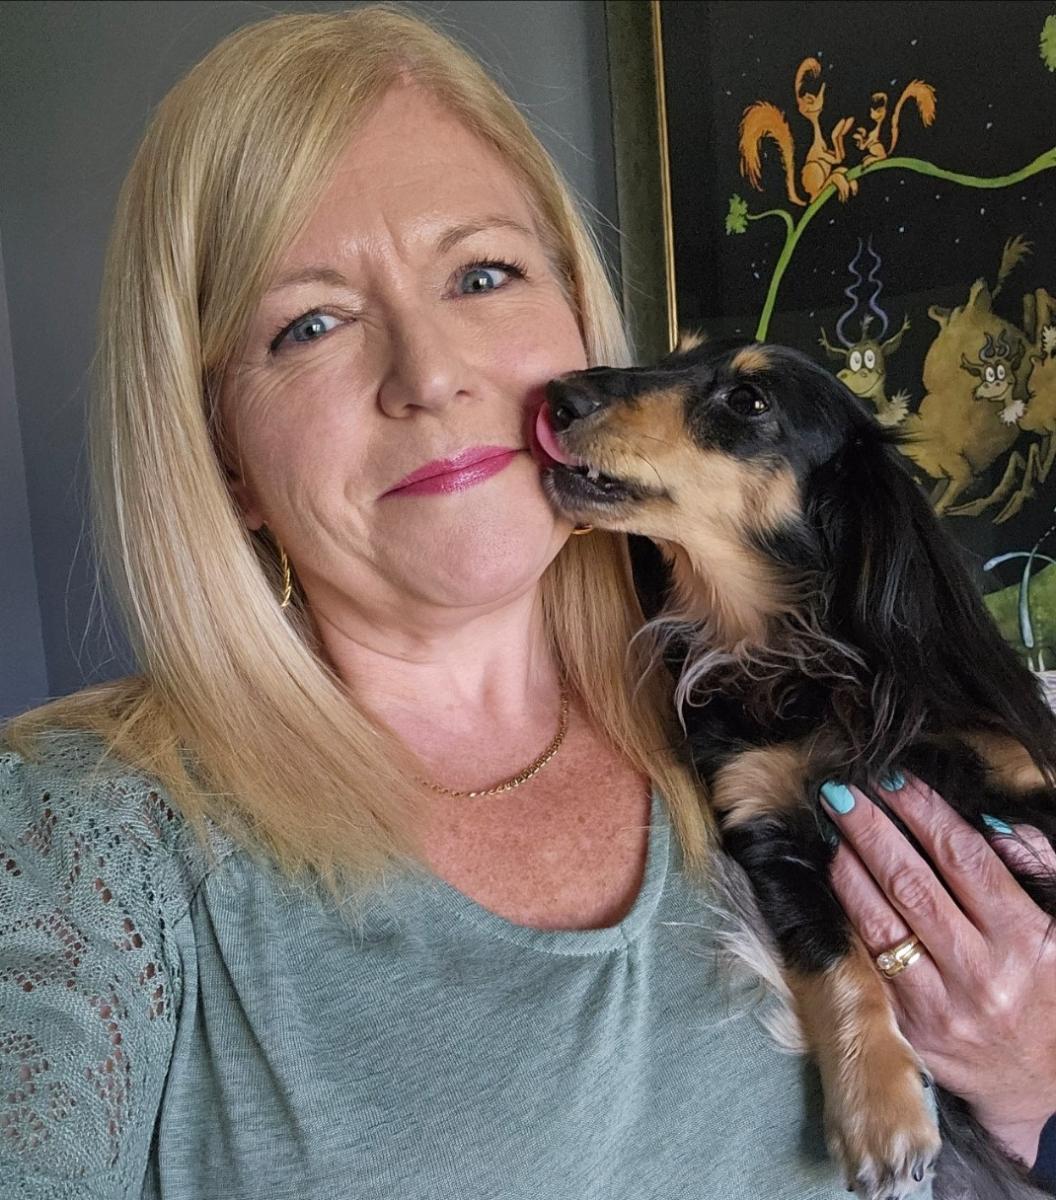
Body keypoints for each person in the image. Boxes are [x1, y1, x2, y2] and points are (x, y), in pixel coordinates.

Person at [1, 7, 1053, 1198]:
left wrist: (1022, 1094)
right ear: (225, 459)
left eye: (483, 272)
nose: (429, 372)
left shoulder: (772, 712)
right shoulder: (74, 842)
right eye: (310, 324)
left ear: (575, 317)